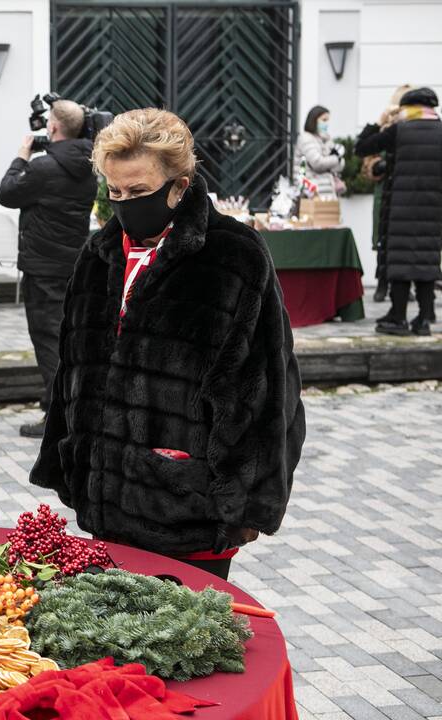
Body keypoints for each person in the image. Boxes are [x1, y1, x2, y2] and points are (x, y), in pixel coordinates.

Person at [29, 108, 306, 580]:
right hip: (105, 501)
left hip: (189, 510)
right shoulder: (97, 256)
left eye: (138, 192)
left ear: (179, 186)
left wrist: (247, 504)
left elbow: (269, 389)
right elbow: (71, 371)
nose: (124, 204)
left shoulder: (234, 256)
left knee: (190, 646)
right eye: (113, 191)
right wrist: (67, 464)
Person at [0, 99, 99, 439]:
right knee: (64, 338)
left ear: (53, 127)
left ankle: (57, 419)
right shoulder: (88, 168)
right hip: (71, 265)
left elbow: (6, 193)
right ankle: (68, 409)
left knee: (47, 342)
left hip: (42, 268)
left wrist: (22, 154)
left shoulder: (42, 168)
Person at [355, 87, 442, 337]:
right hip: (433, 209)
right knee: (427, 261)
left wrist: (377, 123)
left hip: (401, 209)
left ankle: (398, 317)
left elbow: (362, 148)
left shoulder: (399, 130)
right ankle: (424, 319)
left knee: (401, 262)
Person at [362, 85, 412, 302]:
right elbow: (367, 161)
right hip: (384, 191)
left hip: (406, 191)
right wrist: (378, 165)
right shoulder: (383, 130)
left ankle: (403, 285)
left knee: (406, 242)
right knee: (383, 240)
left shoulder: (413, 129)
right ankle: (382, 283)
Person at [295, 105, 344, 199]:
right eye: (324, 120)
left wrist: (335, 160)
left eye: (327, 120)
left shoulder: (326, 139)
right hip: (312, 192)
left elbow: (339, 166)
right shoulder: (306, 138)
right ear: (314, 120)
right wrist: (336, 159)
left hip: (327, 191)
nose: (326, 124)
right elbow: (318, 163)